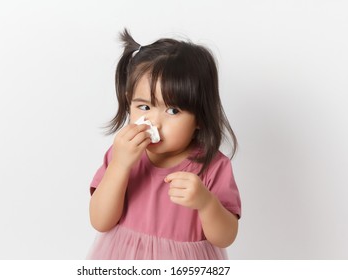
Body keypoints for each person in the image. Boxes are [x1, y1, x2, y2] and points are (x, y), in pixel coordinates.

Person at [87, 29, 241, 259]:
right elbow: (100, 221)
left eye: (172, 110)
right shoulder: (122, 154)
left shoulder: (212, 166)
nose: (154, 122)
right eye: (144, 107)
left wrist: (207, 204)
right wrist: (119, 166)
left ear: (199, 117)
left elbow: (225, 237)